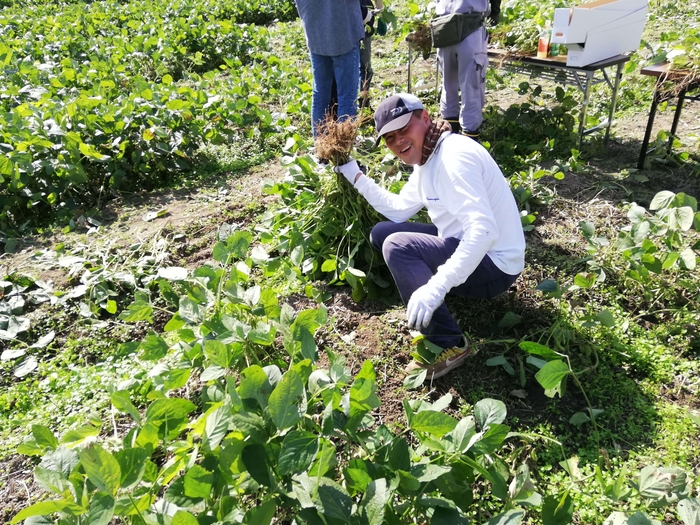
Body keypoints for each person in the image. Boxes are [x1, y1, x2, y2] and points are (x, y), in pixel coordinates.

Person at [335, 93, 524, 379]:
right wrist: (355, 176)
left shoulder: (453, 158)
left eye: (403, 130)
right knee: (382, 233)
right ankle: (419, 289)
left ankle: (449, 343)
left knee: (398, 247)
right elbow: (398, 210)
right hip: (465, 247)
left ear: (425, 118)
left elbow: (484, 231)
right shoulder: (428, 157)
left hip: (495, 265)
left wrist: (435, 287)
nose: (398, 142)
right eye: (389, 138)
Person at [293, 0, 365, 137]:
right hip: (343, 30)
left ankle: (321, 149)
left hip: (315, 32)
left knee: (320, 92)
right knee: (347, 95)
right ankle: (342, 152)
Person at [435, 0, 501, 139]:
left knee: (448, 84)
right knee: (472, 87)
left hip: (443, 27)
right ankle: (469, 139)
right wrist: (495, 11)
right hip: (470, 27)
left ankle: (449, 137)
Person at [359, 0, 383, 110]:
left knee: (365, 67)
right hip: (354, 17)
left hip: (364, 18)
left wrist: (379, 5)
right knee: (364, 68)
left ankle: (364, 102)